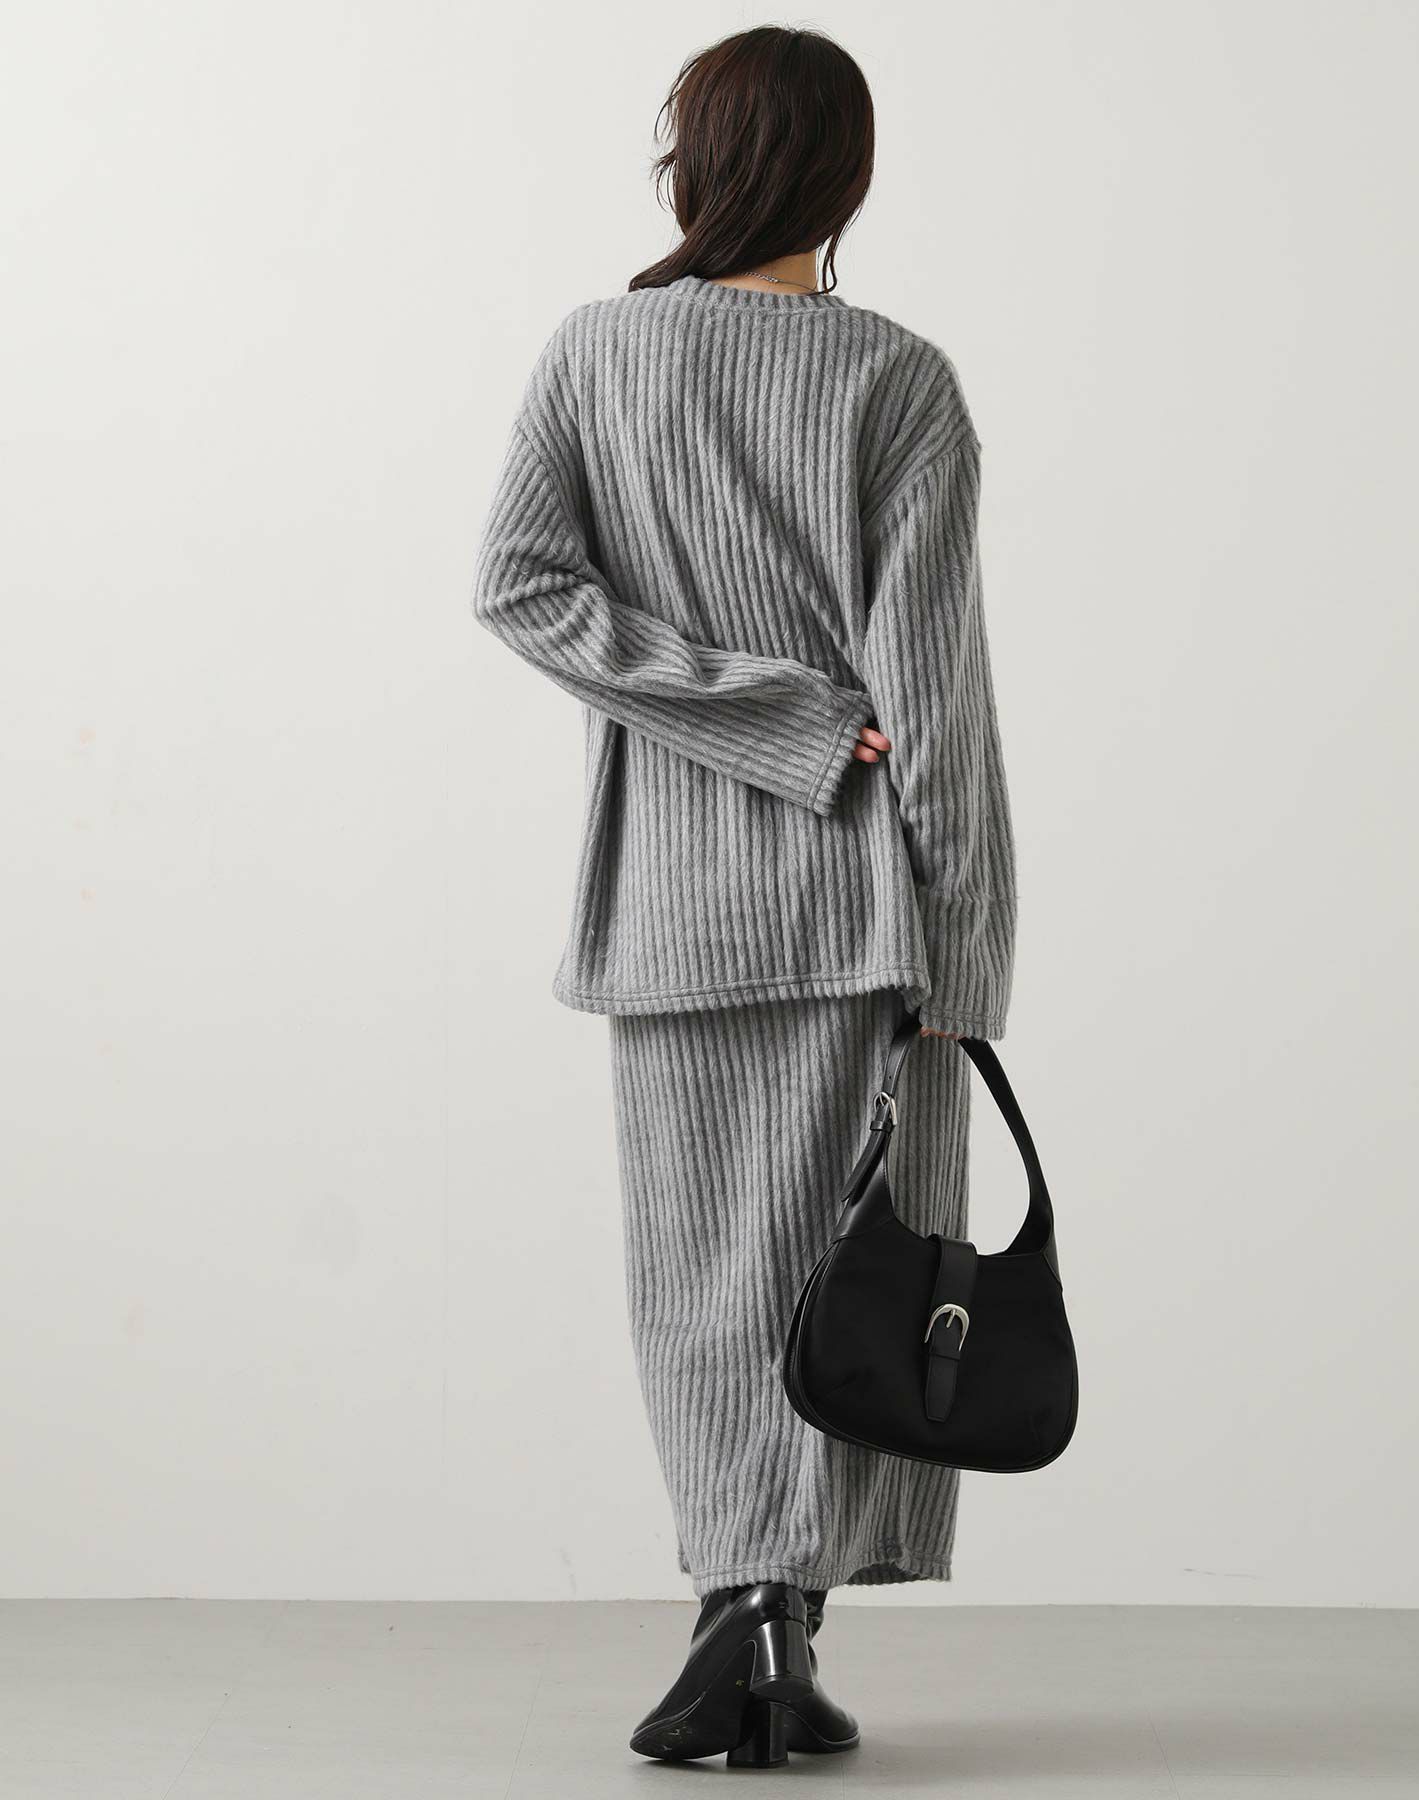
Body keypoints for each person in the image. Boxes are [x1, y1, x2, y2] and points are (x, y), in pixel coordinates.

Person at [471, 24, 1016, 1770]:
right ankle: (765, 1627)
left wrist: (738, 713)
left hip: (669, 914)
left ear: (688, 165)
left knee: (706, 1283)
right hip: (859, 911)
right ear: (849, 178)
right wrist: (966, 948)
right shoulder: (898, 379)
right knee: (848, 1278)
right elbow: (936, 707)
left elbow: (524, 589)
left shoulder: (595, 352)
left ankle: (749, 1626)